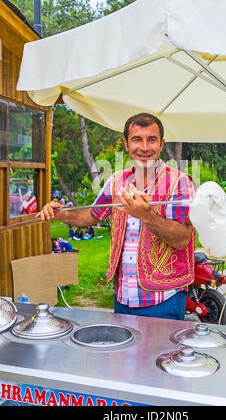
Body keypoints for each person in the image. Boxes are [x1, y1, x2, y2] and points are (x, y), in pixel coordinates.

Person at [37, 113, 195, 320]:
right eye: (137, 139)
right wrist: (59, 213)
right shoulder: (117, 180)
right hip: (122, 298)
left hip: (163, 301)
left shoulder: (179, 182)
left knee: (161, 354)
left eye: (152, 139)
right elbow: (91, 216)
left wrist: (147, 216)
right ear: (127, 144)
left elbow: (183, 238)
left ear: (161, 143)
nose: (144, 147)